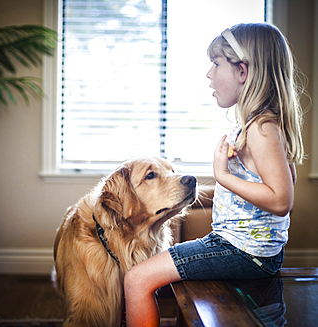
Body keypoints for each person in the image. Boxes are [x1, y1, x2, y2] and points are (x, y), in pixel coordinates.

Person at [123, 23, 306, 327]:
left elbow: (281, 200)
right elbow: (286, 180)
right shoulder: (260, 126)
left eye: (216, 63)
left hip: (242, 252)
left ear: (243, 72)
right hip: (243, 248)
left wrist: (223, 174)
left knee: (137, 279)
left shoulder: (262, 129)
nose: (209, 73)